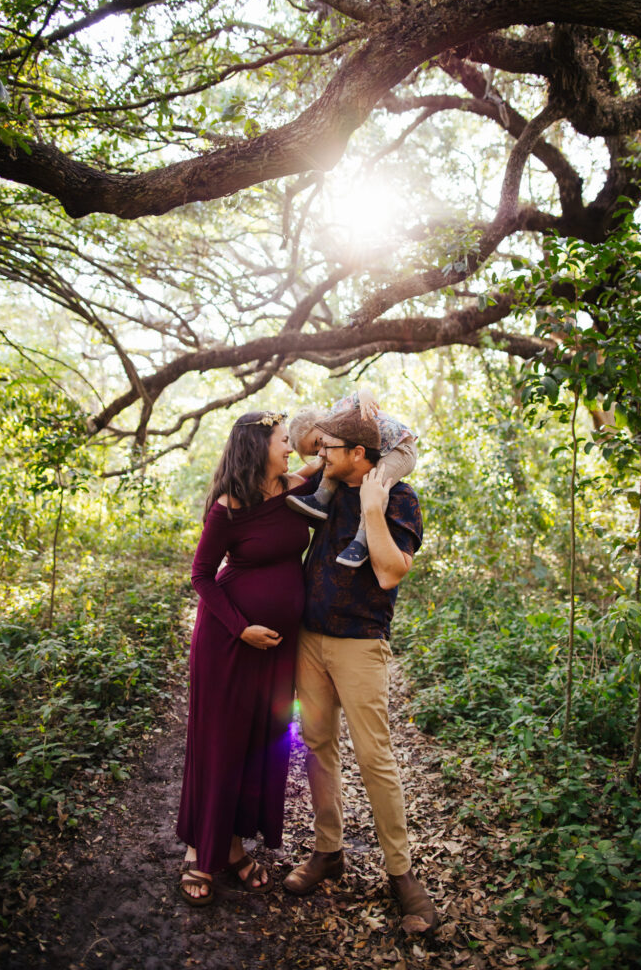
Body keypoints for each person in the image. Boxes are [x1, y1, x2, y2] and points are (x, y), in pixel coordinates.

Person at [282, 409, 437, 934]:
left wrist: (372, 510)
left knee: (375, 758)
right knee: (318, 744)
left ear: (359, 455)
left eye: (330, 449)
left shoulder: (400, 498)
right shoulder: (324, 483)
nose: (319, 455)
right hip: (310, 637)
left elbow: (392, 572)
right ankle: (329, 851)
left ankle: (401, 874)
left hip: (361, 643)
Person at [176, 411, 312, 906]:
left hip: (276, 651)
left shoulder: (295, 488)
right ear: (259, 449)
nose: (290, 449)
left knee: (260, 743)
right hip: (230, 644)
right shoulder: (226, 509)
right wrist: (242, 628)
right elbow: (202, 576)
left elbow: (336, 454)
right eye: (282, 441)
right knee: (222, 745)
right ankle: (199, 851)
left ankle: (232, 847)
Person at [287, 386, 417, 568]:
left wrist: (366, 399)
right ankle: (321, 499)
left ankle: (362, 541)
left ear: (320, 421)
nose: (320, 452)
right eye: (315, 451)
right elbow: (316, 465)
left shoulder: (339, 411)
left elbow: (363, 392)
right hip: (380, 449)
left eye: (318, 442)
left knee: (374, 483)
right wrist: (287, 477)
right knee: (333, 461)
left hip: (401, 449)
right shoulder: (332, 446)